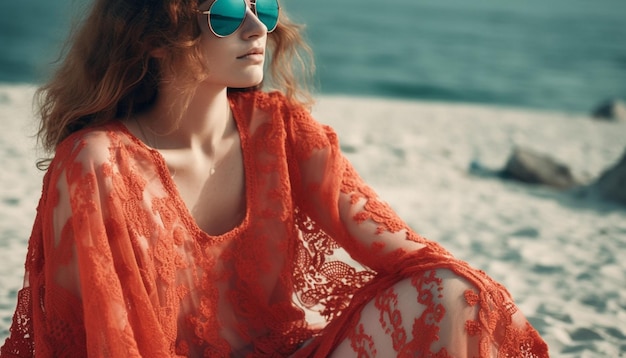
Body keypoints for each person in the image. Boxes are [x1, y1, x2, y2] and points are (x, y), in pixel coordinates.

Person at [1, 0, 549, 357]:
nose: (257, 27)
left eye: (263, 6)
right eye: (222, 15)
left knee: (456, 292)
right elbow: (93, 338)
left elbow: (404, 253)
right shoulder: (97, 162)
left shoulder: (281, 129)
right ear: (153, 36)